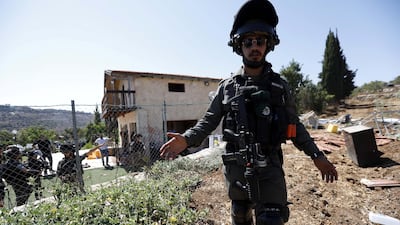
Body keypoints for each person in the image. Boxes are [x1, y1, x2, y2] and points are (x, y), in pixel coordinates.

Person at [159, 1, 338, 224]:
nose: (255, 46)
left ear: (268, 44)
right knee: (240, 216)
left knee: (272, 219)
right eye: (248, 42)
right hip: (237, 170)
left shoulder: (279, 87)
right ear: (239, 46)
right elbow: (208, 121)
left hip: (270, 167)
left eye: (260, 41)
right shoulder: (228, 87)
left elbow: (296, 126)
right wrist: (186, 139)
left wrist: (317, 156)